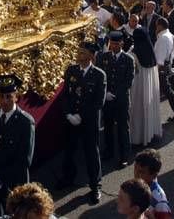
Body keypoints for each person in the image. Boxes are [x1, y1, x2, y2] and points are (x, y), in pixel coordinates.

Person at [0, 74, 35, 219]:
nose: (4, 101)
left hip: (13, 182)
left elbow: (24, 160)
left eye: (9, 96)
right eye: (1, 96)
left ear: (16, 96)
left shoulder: (25, 122)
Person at [57, 41, 106, 205]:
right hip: (71, 120)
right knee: (69, 150)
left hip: (88, 122)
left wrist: (80, 116)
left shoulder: (99, 75)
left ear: (91, 56)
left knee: (91, 153)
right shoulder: (71, 71)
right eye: (78, 52)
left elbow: (98, 102)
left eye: (82, 52)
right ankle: (68, 177)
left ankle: (95, 186)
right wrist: (69, 114)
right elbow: (65, 96)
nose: (78, 55)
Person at [99, 30, 136, 168]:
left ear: (121, 43)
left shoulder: (128, 59)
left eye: (116, 43)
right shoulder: (103, 57)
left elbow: (129, 81)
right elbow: (101, 78)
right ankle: (109, 151)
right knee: (108, 126)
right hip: (107, 99)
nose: (113, 46)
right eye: (111, 43)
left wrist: (116, 94)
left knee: (122, 128)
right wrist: (106, 93)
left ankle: (124, 155)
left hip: (121, 100)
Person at [129, 27, 162, 147]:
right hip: (150, 85)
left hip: (138, 85)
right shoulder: (150, 50)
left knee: (137, 110)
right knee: (148, 108)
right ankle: (150, 132)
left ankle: (137, 137)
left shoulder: (134, 51)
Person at [154, 17, 174, 122]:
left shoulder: (163, 38)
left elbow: (160, 58)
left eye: (156, 25)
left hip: (161, 68)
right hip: (167, 65)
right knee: (167, 91)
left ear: (160, 26)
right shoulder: (170, 35)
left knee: (165, 91)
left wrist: (156, 71)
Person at [133, 149, 172, 219]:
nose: (136, 174)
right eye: (135, 168)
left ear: (154, 175)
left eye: (141, 172)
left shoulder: (160, 202)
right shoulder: (139, 184)